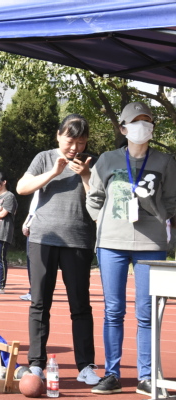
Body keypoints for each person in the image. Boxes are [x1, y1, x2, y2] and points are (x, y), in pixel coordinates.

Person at [86, 102, 176, 396]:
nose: (142, 126)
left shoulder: (165, 161)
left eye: (147, 121)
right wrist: (106, 223)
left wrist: (159, 218)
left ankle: (146, 376)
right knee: (113, 311)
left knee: (147, 313)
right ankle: (112, 374)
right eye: (135, 122)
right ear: (123, 128)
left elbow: (172, 201)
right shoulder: (107, 159)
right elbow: (94, 198)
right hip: (111, 244)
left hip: (151, 244)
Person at [16, 114, 100, 385]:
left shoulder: (92, 162)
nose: (75, 148)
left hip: (78, 240)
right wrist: (54, 172)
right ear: (58, 135)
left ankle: (86, 366)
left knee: (80, 305)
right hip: (43, 238)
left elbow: (98, 201)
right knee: (40, 303)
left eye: (81, 142)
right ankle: (36, 364)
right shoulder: (44, 158)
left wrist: (85, 174)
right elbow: (22, 187)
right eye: (70, 141)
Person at [19, 190, 39, 302]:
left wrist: (29, 224)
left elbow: (40, 210)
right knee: (29, 259)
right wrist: (25, 223)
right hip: (31, 219)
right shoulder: (37, 190)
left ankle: (36, 293)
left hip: (38, 222)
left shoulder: (46, 189)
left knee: (35, 261)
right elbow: (31, 211)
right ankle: (32, 291)